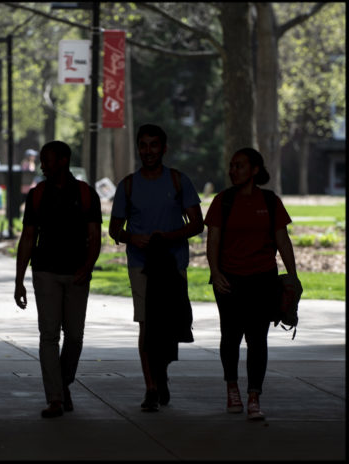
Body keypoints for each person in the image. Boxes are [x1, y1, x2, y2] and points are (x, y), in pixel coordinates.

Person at [108, 124, 203, 412]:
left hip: (173, 265)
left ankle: (161, 375)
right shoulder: (128, 185)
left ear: (164, 148)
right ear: (138, 148)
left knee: (170, 327)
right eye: (143, 145)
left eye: (153, 145)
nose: (148, 151)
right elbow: (114, 228)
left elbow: (197, 224)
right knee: (147, 325)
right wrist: (132, 237)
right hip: (141, 264)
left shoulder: (178, 181)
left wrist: (167, 237)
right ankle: (151, 387)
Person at [204, 147, 301, 421]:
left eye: (240, 166)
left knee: (258, 340)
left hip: (263, 279)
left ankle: (254, 395)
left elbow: (283, 240)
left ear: (255, 170)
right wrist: (216, 271)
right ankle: (232, 387)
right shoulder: (222, 201)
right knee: (231, 337)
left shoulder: (270, 202)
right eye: (232, 166)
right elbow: (212, 240)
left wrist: (292, 276)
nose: (233, 170)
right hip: (229, 281)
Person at [14, 140, 102, 418]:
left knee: (74, 337)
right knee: (49, 335)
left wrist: (88, 266)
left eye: (47, 160)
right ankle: (55, 397)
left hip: (77, 273)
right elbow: (28, 238)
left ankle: (62, 384)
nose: (42, 165)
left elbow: (95, 236)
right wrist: (19, 280)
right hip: (46, 272)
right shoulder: (37, 194)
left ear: (63, 160)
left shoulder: (87, 194)